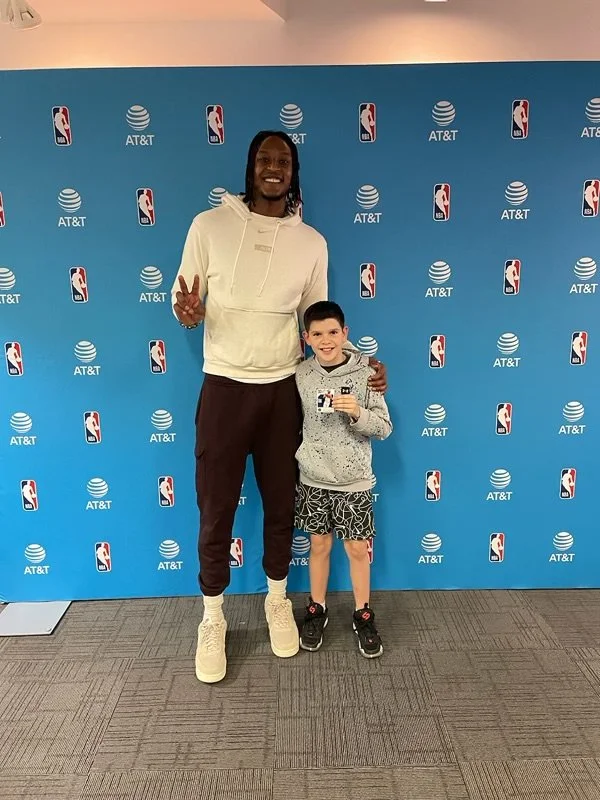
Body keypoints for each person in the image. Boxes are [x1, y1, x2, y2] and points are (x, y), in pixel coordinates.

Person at [171, 130, 387, 684]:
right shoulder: (208, 226)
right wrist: (191, 313)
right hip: (222, 387)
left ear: (294, 172)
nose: (274, 167)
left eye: (284, 161)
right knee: (215, 508)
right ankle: (212, 617)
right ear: (250, 168)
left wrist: (365, 370)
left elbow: (320, 327)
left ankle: (274, 602)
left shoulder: (311, 242)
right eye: (265, 159)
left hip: (282, 392)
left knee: (280, 507)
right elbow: (185, 306)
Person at [294, 300, 392, 657]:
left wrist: (358, 413)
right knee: (318, 546)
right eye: (317, 334)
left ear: (345, 334)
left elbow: (383, 428)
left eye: (333, 332)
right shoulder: (301, 374)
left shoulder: (367, 373)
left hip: (354, 481)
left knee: (355, 548)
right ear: (306, 338)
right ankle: (316, 608)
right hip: (314, 478)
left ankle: (362, 613)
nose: (326, 340)